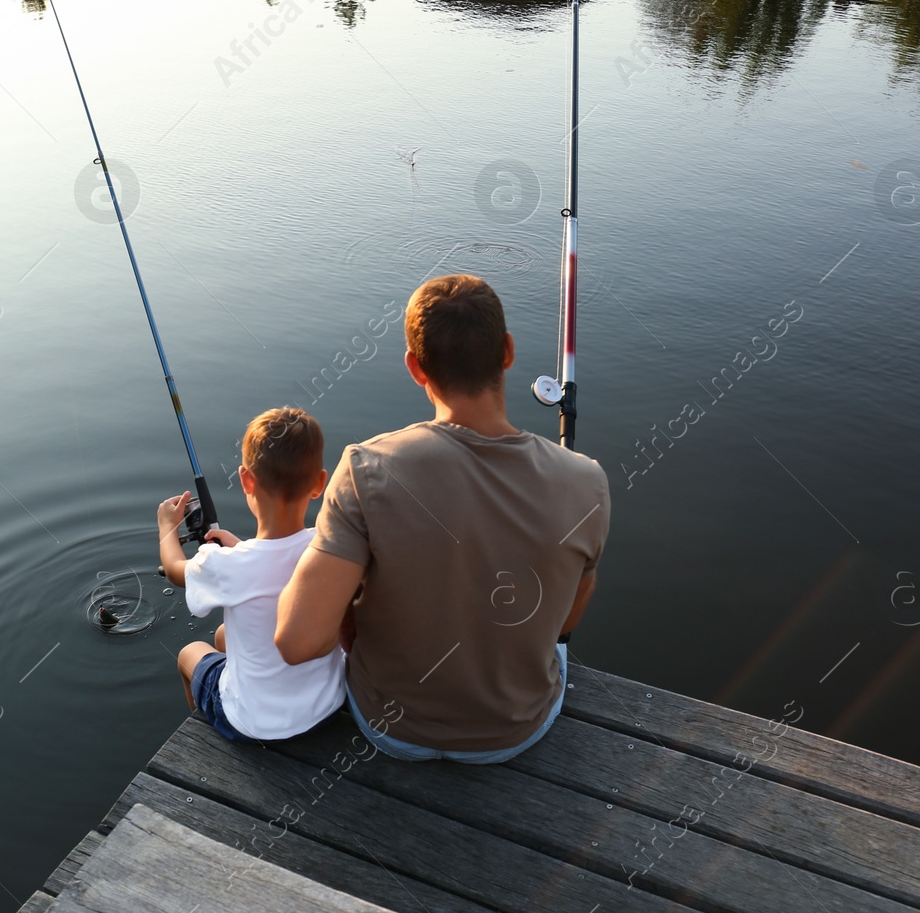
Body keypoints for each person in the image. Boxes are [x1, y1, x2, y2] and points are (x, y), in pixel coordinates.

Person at [275, 274, 611, 763]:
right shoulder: (588, 481)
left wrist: (347, 612)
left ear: (415, 367)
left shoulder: (366, 469)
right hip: (515, 733)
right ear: (508, 352)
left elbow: (297, 641)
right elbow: (568, 618)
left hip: (390, 729)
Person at [157, 407, 345, 742]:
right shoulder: (330, 545)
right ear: (319, 483)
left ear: (246, 479)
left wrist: (166, 528)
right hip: (325, 706)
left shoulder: (223, 565)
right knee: (223, 634)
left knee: (190, 652)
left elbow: (174, 571)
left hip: (253, 723)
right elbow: (276, 564)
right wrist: (240, 547)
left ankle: (206, 745)